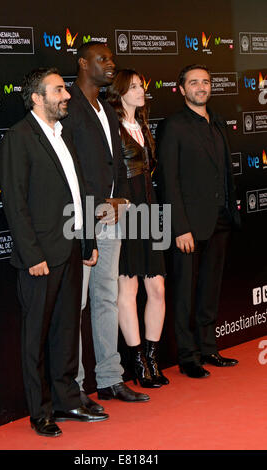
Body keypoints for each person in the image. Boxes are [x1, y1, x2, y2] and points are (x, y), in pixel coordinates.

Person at [0, 67, 108, 437]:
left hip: (71, 247)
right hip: (41, 256)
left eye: (65, 89)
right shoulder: (19, 137)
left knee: (66, 331)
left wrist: (87, 241)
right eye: (59, 90)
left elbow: (79, 194)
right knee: (36, 338)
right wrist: (33, 256)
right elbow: (15, 202)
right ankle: (39, 411)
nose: (67, 96)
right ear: (37, 98)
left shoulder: (64, 134)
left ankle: (67, 401)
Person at [63, 41, 149, 411]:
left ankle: (111, 379)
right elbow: (68, 166)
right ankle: (75, 387)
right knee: (77, 303)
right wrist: (96, 205)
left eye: (111, 58)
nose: (110, 64)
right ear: (83, 63)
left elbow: (117, 164)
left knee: (107, 299)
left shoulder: (107, 109)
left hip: (112, 216)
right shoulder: (68, 105)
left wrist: (123, 201)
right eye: (103, 59)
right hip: (81, 218)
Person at [156, 64, 241, 379]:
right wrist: (180, 227)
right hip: (189, 226)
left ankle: (209, 348)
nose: (201, 87)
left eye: (206, 81)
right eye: (194, 82)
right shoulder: (173, 126)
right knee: (185, 292)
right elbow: (168, 180)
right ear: (181, 89)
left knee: (209, 289)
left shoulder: (217, 122)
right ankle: (187, 356)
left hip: (219, 220)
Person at [106, 69, 168, 388]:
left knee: (157, 288)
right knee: (127, 290)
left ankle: (153, 356)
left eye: (141, 86)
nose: (141, 91)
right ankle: (138, 361)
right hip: (126, 210)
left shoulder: (144, 125)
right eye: (133, 87)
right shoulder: (113, 128)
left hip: (151, 207)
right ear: (119, 93)